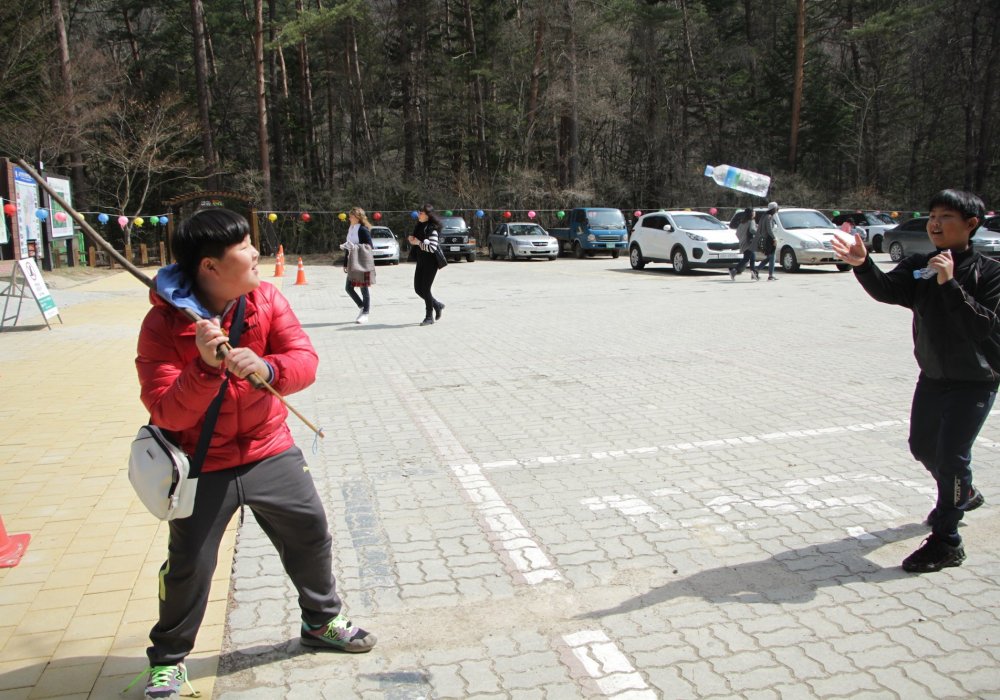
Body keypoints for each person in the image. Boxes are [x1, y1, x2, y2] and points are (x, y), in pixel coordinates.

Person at [133, 208, 375, 700]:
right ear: (210, 267)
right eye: (244, 248)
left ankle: (321, 622)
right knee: (191, 565)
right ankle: (170, 660)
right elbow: (167, 411)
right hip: (204, 463)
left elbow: (304, 360)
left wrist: (266, 366)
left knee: (309, 533)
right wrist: (204, 369)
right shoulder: (162, 325)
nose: (256, 254)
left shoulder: (265, 297)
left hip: (270, 448)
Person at [832, 189, 998, 573]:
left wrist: (950, 283)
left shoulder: (989, 272)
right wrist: (863, 265)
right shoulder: (921, 264)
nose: (935, 224)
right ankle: (964, 494)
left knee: (953, 458)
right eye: (932, 215)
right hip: (934, 376)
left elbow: (983, 327)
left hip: (975, 381)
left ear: (971, 224)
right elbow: (889, 290)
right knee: (923, 448)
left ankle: (947, 541)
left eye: (946, 217)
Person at [407, 203, 445, 325]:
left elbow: (432, 248)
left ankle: (429, 316)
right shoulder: (420, 226)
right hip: (421, 261)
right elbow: (418, 242)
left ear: (428, 215)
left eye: (421, 213)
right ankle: (437, 305)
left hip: (431, 262)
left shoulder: (432, 228)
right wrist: (412, 240)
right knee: (418, 289)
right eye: (419, 212)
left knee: (425, 289)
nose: (419, 214)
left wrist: (418, 243)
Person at [341, 206, 375, 324]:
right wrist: (345, 262)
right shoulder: (351, 228)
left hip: (362, 261)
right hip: (352, 262)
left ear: (357, 217)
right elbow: (349, 246)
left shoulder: (362, 229)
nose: (349, 218)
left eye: (351, 216)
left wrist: (354, 247)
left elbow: (370, 246)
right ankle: (362, 306)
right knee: (348, 288)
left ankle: (365, 313)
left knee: (364, 289)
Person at [729, 207, 759, 281]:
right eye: (754, 212)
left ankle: (753, 274)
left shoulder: (743, 221)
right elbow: (752, 230)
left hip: (743, 242)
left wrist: (742, 239)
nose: (755, 213)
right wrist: (758, 231)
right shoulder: (751, 221)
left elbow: (737, 233)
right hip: (749, 242)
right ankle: (734, 271)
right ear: (751, 213)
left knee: (752, 258)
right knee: (746, 259)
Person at [757, 201, 779, 280]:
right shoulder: (769, 217)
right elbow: (769, 229)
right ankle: (770, 275)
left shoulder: (764, 216)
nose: (777, 209)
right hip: (768, 239)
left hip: (764, 238)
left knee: (770, 257)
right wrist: (774, 238)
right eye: (776, 207)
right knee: (772, 257)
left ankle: (757, 269)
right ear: (774, 208)